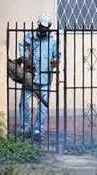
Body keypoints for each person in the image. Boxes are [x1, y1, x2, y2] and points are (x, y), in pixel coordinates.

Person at [18, 14, 59, 142]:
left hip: (45, 76)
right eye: (41, 28)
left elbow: (57, 55)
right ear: (38, 26)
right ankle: (25, 128)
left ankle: (38, 131)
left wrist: (55, 62)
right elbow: (21, 44)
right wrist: (25, 59)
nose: (43, 30)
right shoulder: (31, 35)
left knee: (43, 105)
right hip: (30, 75)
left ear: (49, 28)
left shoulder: (53, 39)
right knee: (24, 102)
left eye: (45, 29)